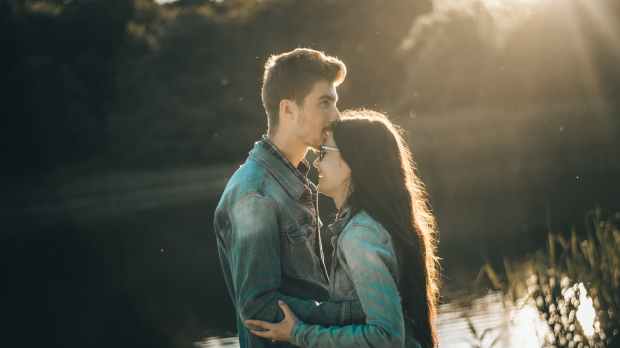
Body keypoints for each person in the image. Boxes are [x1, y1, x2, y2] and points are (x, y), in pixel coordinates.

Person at [245, 110, 441, 348]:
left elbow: (387, 337)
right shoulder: (372, 226)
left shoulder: (360, 236)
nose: (316, 162)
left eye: (324, 152)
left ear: (353, 161)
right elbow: (360, 311)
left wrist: (299, 334)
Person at [213, 49, 365, 348]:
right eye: (325, 103)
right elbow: (258, 307)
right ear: (288, 110)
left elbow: (309, 289)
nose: (336, 116)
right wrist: (349, 312)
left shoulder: (292, 179)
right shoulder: (254, 195)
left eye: (336, 103)